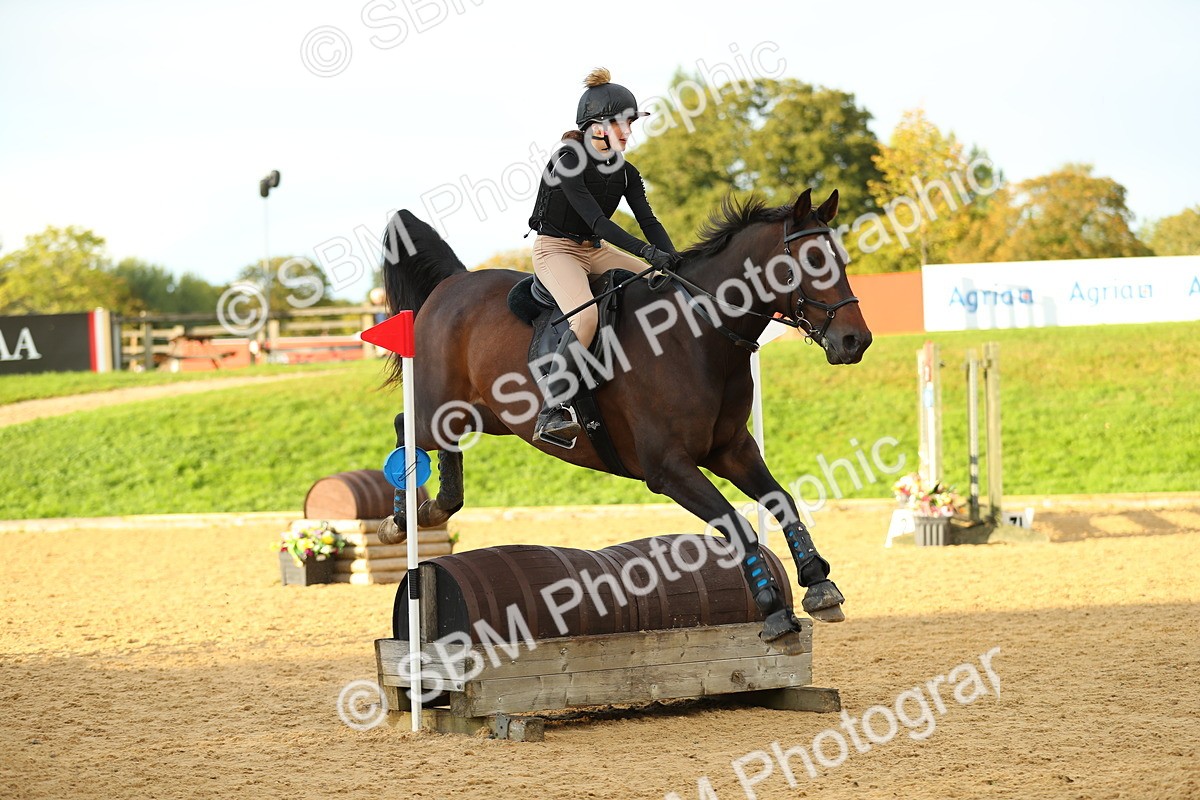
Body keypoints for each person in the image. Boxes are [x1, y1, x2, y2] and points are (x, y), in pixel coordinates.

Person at [527, 67, 681, 445]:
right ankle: (553, 409)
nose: (629, 132)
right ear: (597, 126)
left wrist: (674, 261)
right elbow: (596, 220)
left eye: (631, 123)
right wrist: (646, 252)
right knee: (585, 317)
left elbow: (649, 220)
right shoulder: (568, 160)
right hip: (555, 250)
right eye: (622, 123)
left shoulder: (627, 173)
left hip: (594, 249)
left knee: (661, 284)